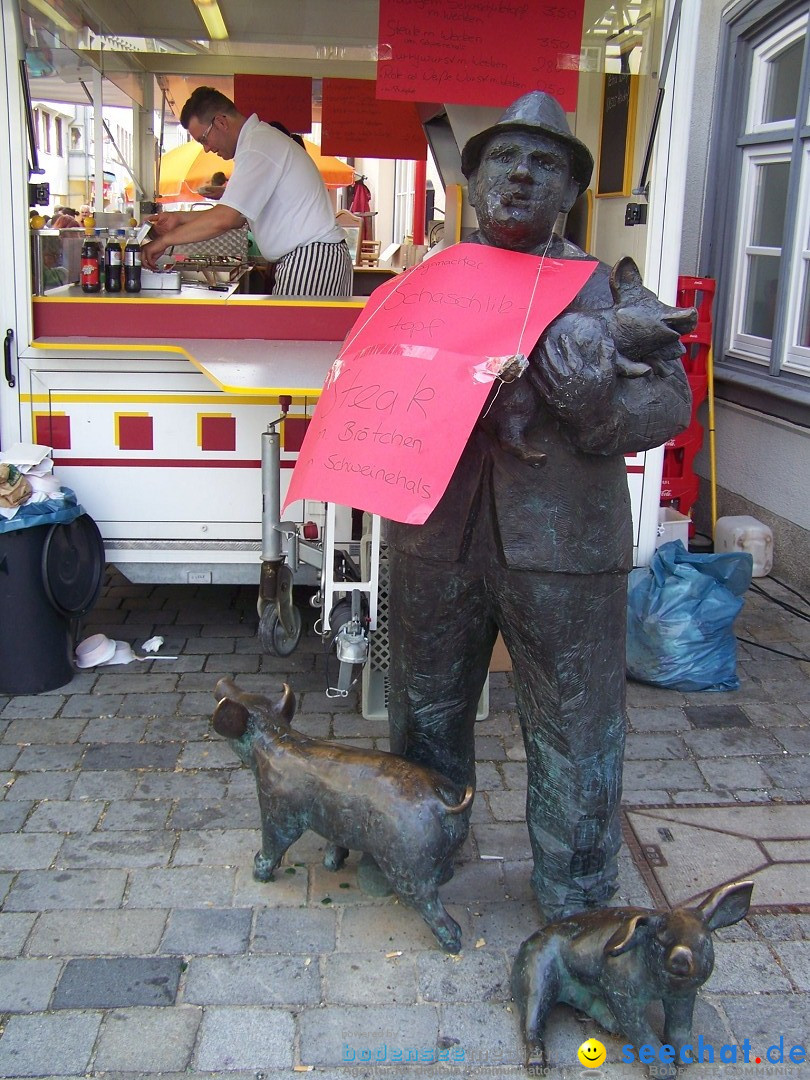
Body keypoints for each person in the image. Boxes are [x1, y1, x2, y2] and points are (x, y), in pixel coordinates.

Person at [384, 92, 693, 923]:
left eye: (546, 164)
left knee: (576, 725)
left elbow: (671, 402)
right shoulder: (427, 284)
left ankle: (578, 894)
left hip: (566, 549)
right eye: (504, 161)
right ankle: (426, 852)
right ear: (473, 183)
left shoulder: (608, 292)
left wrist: (596, 410)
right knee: (425, 708)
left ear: (569, 193)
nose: (522, 174)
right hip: (433, 536)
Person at [142, 87, 353, 297]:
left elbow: (225, 218)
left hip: (311, 260)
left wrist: (163, 242)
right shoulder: (258, 143)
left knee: (289, 330)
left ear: (221, 122)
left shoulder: (257, 146)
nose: (206, 149)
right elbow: (236, 217)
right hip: (314, 257)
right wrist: (178, 218)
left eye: (204, 139)